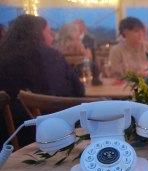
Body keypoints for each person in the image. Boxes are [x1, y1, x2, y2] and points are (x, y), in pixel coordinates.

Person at [0, 14, 85, 147]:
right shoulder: (52, 57)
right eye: (49, 33)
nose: (51, 38)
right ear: (39, 34)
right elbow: (80, 91)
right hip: (54, 137)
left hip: (7, 139)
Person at [73, 19, 102, 85]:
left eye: (77, 25)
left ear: (83, 26)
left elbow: (92, 58)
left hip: (86, 69)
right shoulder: (70, 41)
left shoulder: (89, 39)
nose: (75, 27)